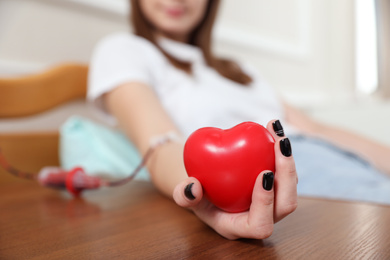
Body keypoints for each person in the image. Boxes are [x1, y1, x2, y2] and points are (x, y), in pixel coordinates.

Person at [87, 0, 390, 240]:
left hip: (339, 159)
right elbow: (158, 145)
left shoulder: (239, 69)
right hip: (288, 178)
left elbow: (316, 130)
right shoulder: (124, 50)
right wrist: (208, 200)